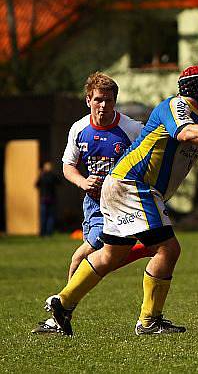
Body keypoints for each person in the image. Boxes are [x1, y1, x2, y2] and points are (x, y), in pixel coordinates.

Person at [40, 66, 198, 336]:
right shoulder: (175, 105)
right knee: (168, 249)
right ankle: (149, 320)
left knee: (113, 254)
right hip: (133, 185)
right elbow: (185, 133)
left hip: (120, 185)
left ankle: (62, 304)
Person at [33, 72, 152, 334]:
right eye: (98, 100)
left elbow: (150, 160)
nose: (103, 106)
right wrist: (83, 182)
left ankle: (61, 311)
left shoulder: (131, 129)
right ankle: (61, 314)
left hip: (125, 202)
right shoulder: (78, 129)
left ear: (115, 101)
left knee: (85, 254)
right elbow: (67, 166)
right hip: (94, 205)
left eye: (109, 100)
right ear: (88, 100)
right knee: (106, 255)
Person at [36, 161, 61, 236]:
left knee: (43, 216)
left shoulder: (42, 176)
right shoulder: (53, 176)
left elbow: (37, 185)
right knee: (50, 217)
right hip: (51, 198)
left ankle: (42, 232)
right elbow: (59, 182)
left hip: (44, 199)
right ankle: (49, 232)